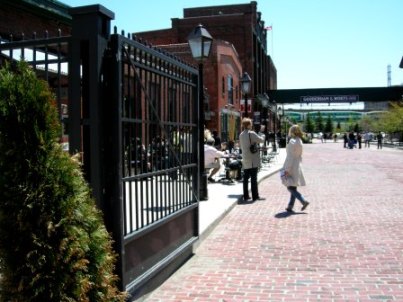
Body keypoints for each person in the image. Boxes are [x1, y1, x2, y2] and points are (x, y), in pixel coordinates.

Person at [282, 124, 309, 213]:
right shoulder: (299, 141)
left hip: (291, 165)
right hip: (297, 164)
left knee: (289, 186)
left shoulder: (292, 142)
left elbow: (290, 157)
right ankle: (290, 206)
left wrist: (287, 169)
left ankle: (303, 200)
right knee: (293, 186)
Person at [239, 118, 265, 201]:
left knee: (245, 178)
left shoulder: (241, 134)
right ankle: (255, 196)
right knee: (254, 178)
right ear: (248, 125)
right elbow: (261, 140)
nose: (252, 125)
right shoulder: (252, 133)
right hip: (253, 159)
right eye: (251, 123)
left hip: (245, 158)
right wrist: (262, 134)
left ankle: (246, 195)